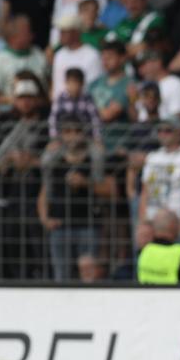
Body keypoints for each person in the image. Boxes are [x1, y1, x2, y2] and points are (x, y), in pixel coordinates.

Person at [37, 115, 104, 281]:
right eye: (67, 131)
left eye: (77, 131)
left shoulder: (94, 158)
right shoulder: (55, 160)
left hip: (88, 225)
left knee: (89, 275)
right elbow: (45, 191)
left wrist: (85, 183)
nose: (73, 135)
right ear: (61, 135)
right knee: (61, 276)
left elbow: (109, 189)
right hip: (60, 225)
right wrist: (45, 218)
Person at [139, 121, 180, 238]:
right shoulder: (153, 157)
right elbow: (145, 192)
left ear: (179, 133)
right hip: (153, 223)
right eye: (160, 131)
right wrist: (144, 222)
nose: (163, 134)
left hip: (175, 224)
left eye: (168, 130)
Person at [51, 15, 102, 99]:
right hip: (60, 107)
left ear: (76, 32)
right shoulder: (59, 55)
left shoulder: (92, 55)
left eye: (64, 32)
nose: (61, 35)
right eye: (60, 31)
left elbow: (93, 88)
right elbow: (56, 86)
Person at [49, 68, 101, 141]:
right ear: (66, 83)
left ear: (82, 84)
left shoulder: (88, 99)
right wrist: (54, 138)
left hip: (85, 138)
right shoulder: (60, 99)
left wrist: (97, 137)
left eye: (76, 82)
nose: (73, 86)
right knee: (49, 152)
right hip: (63, 139)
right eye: (70, 82)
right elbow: (53, 119)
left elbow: (95, 119)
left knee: (98, 152)